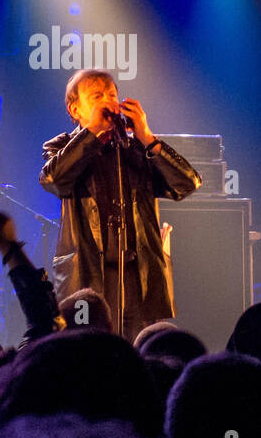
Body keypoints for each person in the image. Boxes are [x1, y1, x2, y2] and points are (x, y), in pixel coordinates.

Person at [40, 69, 201, 342]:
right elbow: (53, 179)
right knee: (88, 353)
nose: (108, 102)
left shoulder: (138, 148)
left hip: (139, 280)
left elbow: (187, 183)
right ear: (75, 109)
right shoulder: (63, 146)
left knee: (139, 356)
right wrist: (91, 133)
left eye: (112, 95)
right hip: (87, 279)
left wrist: (147, 137)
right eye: (97, 96)